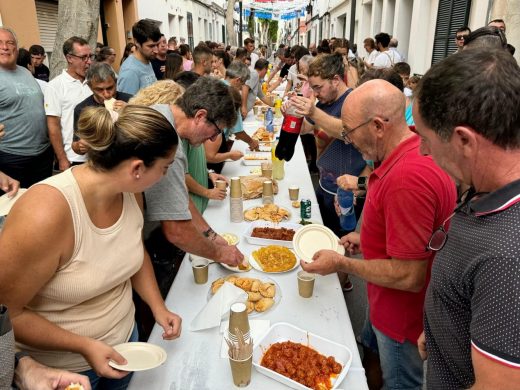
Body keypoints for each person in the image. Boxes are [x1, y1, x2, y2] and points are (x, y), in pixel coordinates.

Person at [0, 105, 182, 389]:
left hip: (126, 347)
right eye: (165, 168)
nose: (164, 176)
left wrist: (158, 307)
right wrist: (84, 346)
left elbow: (132, 251)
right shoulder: (46, 213)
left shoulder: (130, 193)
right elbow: (7, 313)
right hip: (63, 372)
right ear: (137, 168)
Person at [302, 79, 456, 389]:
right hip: (384, 302)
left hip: (400, 317)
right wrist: (369, 239)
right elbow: (410, 232)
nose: (347, 140)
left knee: (399, 382)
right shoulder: (407, 151)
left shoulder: (406, 179)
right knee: (369, 353)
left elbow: (408, 275)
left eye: (349, 131)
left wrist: (341, 264)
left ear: (377, 126)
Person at [414, 48, 520, 389]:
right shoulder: (487, 185)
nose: (423, 152)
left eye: (427, 139)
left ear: (464, 140)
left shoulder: (507, 255)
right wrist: (442, 325)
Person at [132, 77, 244, 340]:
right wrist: (219, 253)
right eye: (215, 131)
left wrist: (211, 235)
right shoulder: (165, 138)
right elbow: (176, 231)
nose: (214, 138)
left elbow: (180, 197)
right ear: (200, 115)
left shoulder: (164, 117)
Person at [288, 53, 368, 236]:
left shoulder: (353, 102)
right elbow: (308, 128)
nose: (315, 93)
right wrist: (293, 113)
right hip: (324, 186)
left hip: (347, 194)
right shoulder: (325, 102)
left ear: (336, 80)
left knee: (339, 246)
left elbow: (348, 132)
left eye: (318, 87)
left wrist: (314, 112)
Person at [0, 28, 53, 189]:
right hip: (12, 158)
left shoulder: (26, 72)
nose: (5, 47)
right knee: (15, 209)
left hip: (43, 154)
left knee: (41, 202)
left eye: (10, 43)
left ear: (17, 48)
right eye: (0, 43)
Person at [45, 36, 93, 171]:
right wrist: (62, 159)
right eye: (83, 57)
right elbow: (53, 126)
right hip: (74, 159)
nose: (89, 62)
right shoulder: (55, 86)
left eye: (90, 56)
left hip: (98, 155)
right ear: (69, 58)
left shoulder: (94, 81)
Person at [72, 63, 133, 155]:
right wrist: (78, 147)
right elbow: (77, 143)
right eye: (100, 90)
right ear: (90, 86)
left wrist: (131, 111)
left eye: (110, 88)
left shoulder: (131, 100)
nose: (107, 94)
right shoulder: (82, 109)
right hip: (99, 162)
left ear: (115, 82)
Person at [117, 19, 160, 95]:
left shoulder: (147, 60)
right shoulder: (130, 71)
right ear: (136, 42)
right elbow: (128, 105)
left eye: (157, 45)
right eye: (151, 46)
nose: (156, 50)